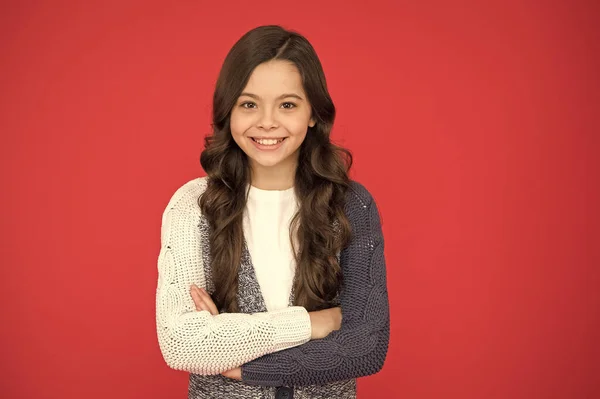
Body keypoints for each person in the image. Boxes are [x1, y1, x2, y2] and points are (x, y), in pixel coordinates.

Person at [156, 24, 390, 399]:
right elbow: (182, 345)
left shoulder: (351, 205)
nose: (267, 122)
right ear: (228, 111)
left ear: (313, 112)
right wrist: (314, 324)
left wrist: (240, 359)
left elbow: (366, 346)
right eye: (249, 104)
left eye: (287, 104)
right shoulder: (193, 205)